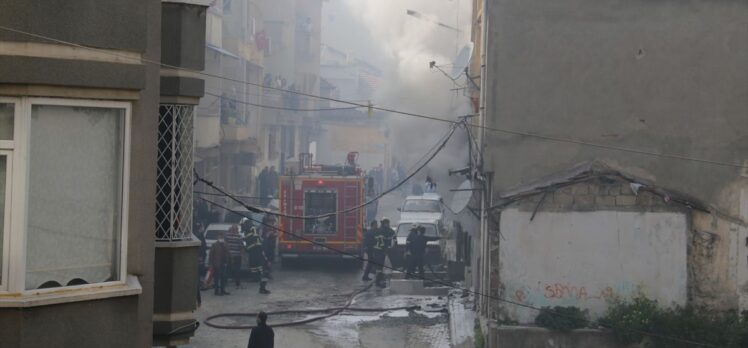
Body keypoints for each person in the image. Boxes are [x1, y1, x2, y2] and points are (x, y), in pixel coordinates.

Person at [245, 227, 271, 294]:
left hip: (264, 258)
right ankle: (262, 288)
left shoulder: (264, 239)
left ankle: (263, 288)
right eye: (259, 231)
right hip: (260, 259)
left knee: (265, 274)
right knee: (263, 274)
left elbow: (267, 250)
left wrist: (268, 260)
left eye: (261, 231)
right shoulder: (256, 239)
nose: (260, 232)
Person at [373, 218, 397, 288]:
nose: (389, 224)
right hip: (382, 251)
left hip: (376, 250)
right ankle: (379, 281)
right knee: (380, 267)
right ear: (386, 223)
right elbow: (391, 240)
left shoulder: (377, 230)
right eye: (388, 223)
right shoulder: (388, 231)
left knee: (378, 267)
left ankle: (378, 281)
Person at [209, 231, 230, 296]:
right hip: (217, 263)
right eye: (220, 237)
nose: (221, 238)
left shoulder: (225, 244)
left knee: (223, 277)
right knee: (217, 278)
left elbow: (227, 253)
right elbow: (211, 255)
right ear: (217, 237)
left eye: (222, 237)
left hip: (224, 263)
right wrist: (211, 264)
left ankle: (222, 290)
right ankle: (216, 291)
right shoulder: (214, 245)